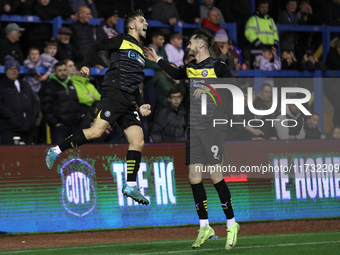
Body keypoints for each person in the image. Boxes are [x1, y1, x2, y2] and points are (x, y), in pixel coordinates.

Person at [144, 28, 239, 250]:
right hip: (194, 128)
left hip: (214, 127)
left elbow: (233, 89)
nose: (188, 46)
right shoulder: (192, 68)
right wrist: (157, 59)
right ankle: (205, 226)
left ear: (201, 44)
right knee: (194, 177)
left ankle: (232, 224)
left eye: (191, 42)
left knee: (215, 175)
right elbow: (176, 74)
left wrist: (209, 90)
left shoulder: (218, 66)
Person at [44, 10, 151, 206]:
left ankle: (130, 185)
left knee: (138, 141)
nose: (146, 23)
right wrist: (85, 65)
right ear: (131, 25)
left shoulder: (141, 51)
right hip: (114, 93)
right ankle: (56, 150)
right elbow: (94, 46)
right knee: (96, 132)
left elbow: (134, 80)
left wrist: (140, 102)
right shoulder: (121, 40)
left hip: (128, 100)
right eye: (142, 20)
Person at [0, 56, 39, 145]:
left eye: (16, 69)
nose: (14, 71)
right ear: (6, 70)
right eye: (11, 68)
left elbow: (34, 101)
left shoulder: (25, 84)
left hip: (28, 128)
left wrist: (33, 116)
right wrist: (12, 117)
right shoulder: (1, 86)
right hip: (9, 128)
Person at [39, 61, 81, 144]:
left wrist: (77, 119)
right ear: (55, 71)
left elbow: (76, 103)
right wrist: (55, 123)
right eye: (60, 70)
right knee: (59, 154)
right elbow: (45, 107)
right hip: (59, 128)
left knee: (74, 154)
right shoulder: (49, 86)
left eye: (64, 70)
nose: (63, 73)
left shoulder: (70, 84)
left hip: (73, 126)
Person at [245, 0, 279, 68]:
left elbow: (275, 33)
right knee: (257, 72)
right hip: (257, 51)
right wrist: (258, 44)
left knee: (270, 71)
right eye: (262, 7)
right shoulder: (253, 19)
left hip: (269, 52)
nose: (264, 9)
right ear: (258, 8)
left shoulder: (271, 20)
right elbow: (248, 33)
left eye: (266, 7)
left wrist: (274, 44)